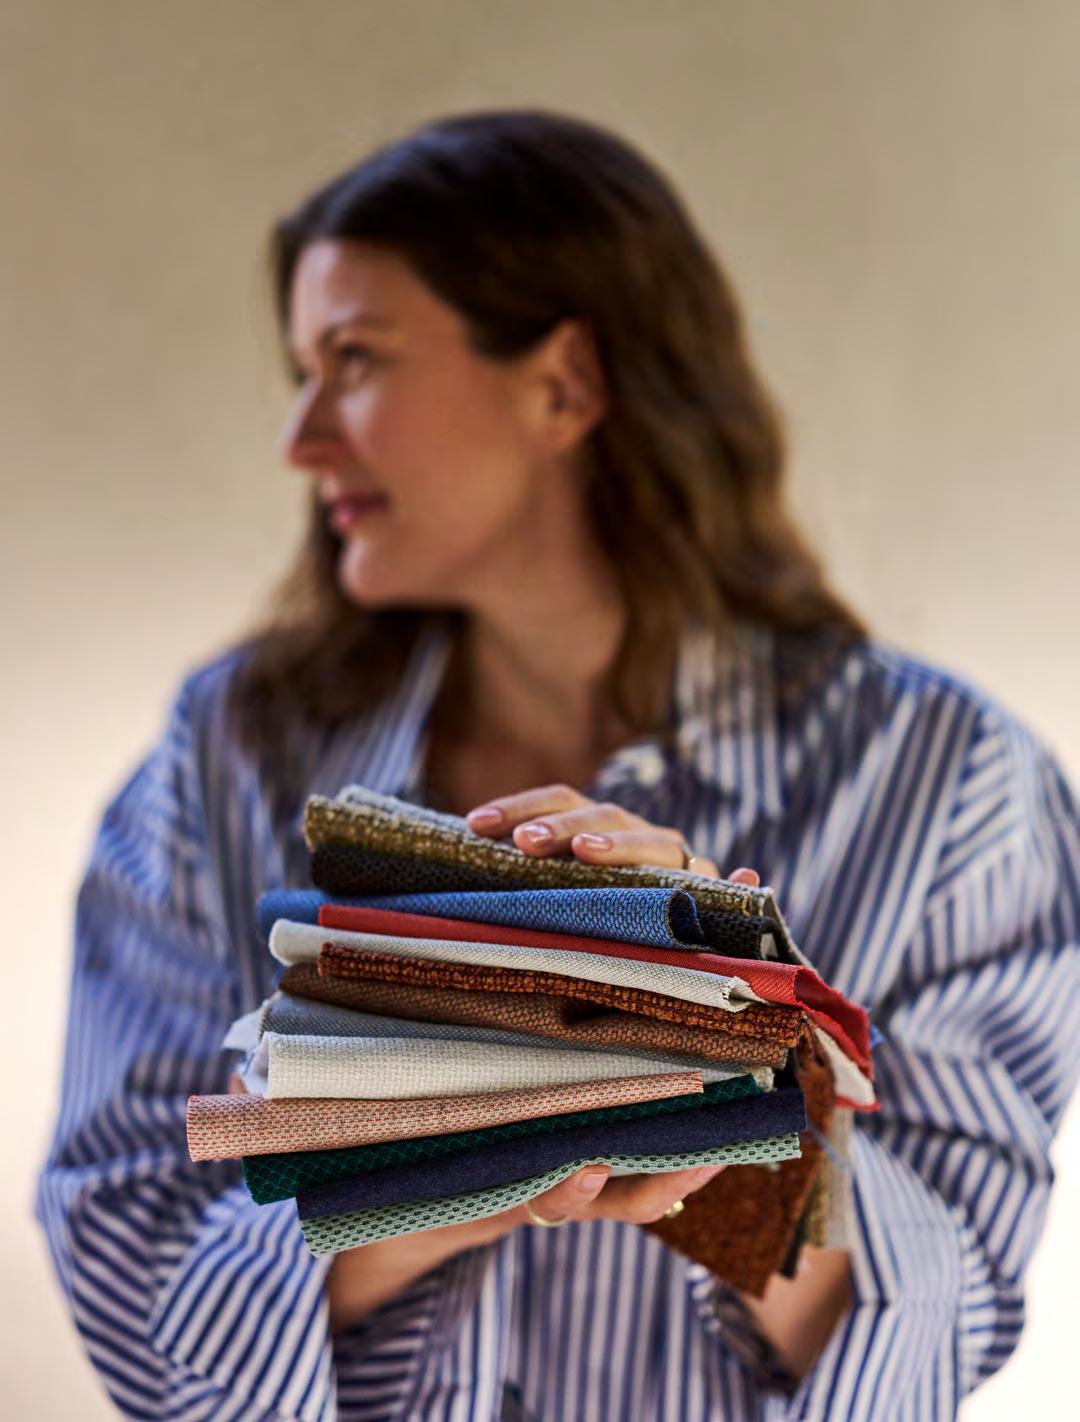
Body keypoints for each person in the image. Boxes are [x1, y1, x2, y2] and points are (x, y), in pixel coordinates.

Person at [37, 109, 1078, 1422]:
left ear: (564, 387)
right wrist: (455, 1161)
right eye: (302, 372)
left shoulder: (953, 784)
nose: (301, 439)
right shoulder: (223, 756)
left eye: (354, 360)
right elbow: (128, 1256)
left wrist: (713, 1060)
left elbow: (939, 1332)